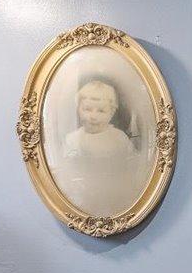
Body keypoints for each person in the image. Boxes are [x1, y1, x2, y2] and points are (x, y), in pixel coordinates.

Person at [56, 74, 146, 215]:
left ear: (111, 113)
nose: (93, 116)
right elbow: (64, 169)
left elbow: (134, 164)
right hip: (82, 197)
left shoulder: (118, 138)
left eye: (101, 111)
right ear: (78, 109)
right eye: (87, 109)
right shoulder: (72, 139)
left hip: (114, 194)